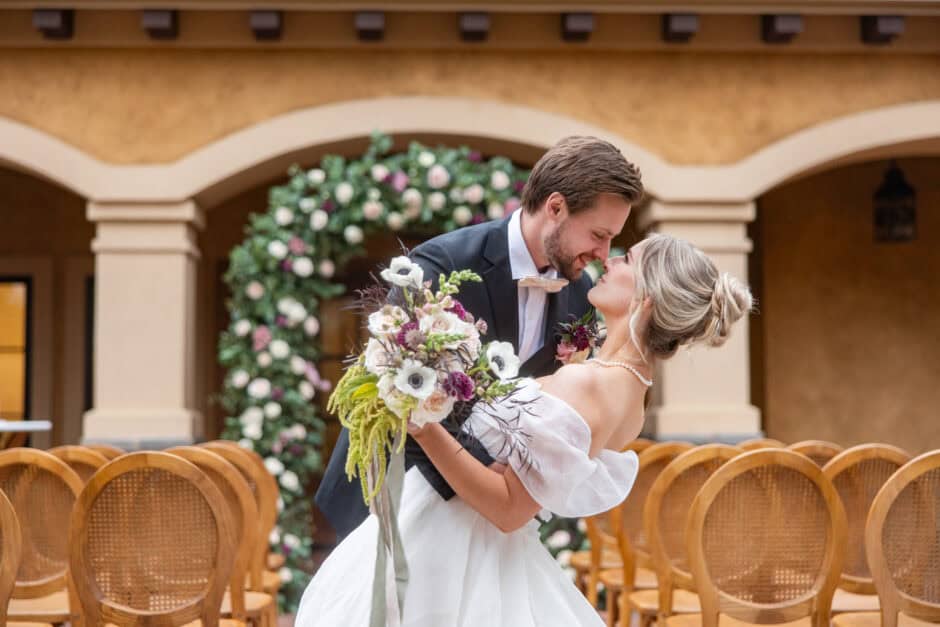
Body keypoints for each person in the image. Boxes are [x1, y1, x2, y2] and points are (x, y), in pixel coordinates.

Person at [297, 233, 754, 626]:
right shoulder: (631, 393)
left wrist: (423, 425)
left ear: (647, 296)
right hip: (479, 545)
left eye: (627, 259)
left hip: (451, 547)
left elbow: (511, 507)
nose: (609, 260)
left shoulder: (590, 383)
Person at [315, 136, 644, 540]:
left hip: (489, 521)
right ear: (555, 207)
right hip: (393, 502)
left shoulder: (579, 296)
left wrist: (508, 493)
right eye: (598, 234)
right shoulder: (443, 265)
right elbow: (396, 393)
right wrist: (488, 482)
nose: (603, 252)